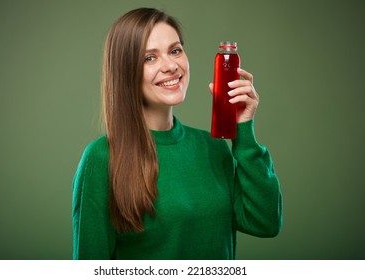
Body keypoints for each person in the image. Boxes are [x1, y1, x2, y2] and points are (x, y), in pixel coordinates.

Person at [72, 7, 283, 260]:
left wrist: (243, 132)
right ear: (126, 70)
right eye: (149, 58)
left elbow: (265, 223)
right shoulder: (101, 158)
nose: (171, 66)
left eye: (175, 50)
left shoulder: (212, 147)